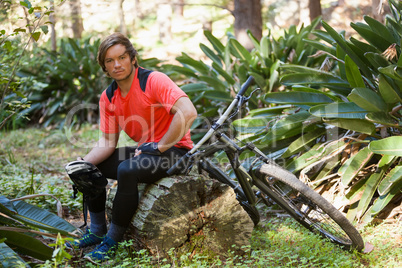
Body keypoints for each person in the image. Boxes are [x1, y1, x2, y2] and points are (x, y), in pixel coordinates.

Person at [68, 32, 197, 262]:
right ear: (104, 67)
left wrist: (159, 146)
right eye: (110, 61)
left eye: (122, 57)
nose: (117, 64)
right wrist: (82, 164)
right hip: (146, 151)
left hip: (176, 151)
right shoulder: (108, 97)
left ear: (133, 58)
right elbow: (107, 143)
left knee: (127, 170)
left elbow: (188, 112)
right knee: (89, 167)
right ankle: (97, 231)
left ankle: (111, 241)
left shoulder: (153, 81)